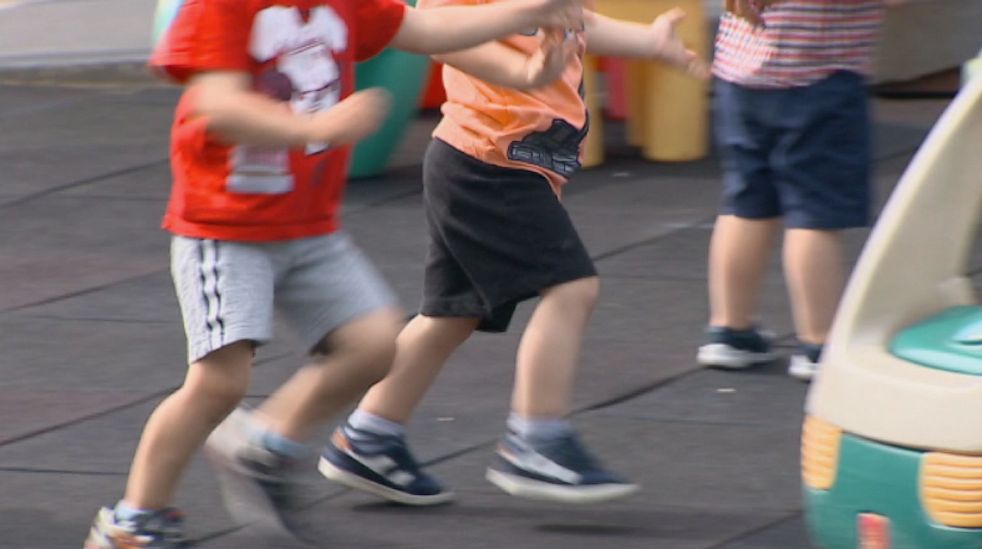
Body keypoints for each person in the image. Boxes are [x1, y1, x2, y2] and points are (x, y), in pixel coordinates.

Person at [83, 0, 588, 547]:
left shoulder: (344, 4)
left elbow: (430, 28)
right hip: (223, 226)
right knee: (219, 382)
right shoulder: (224, 7)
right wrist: (318, 125)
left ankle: (265, 447)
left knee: (374, 346)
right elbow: (217, 106)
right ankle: (134, 519)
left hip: (309, 227)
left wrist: (523, 39)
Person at [317, 1, 708, 507]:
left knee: (451, 313)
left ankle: (368, 437)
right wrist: (521, 73)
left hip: (491, 160)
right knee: (572, 289)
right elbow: (442, 35)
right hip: (488, 162)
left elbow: (577, 20)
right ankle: (536, 439)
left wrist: (648, 43)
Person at [696, 0, 899, 381]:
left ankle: (730, 329)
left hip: (740, 78)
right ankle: (819, 342)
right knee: (813, 214)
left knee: (746, 203)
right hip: (818, 81)